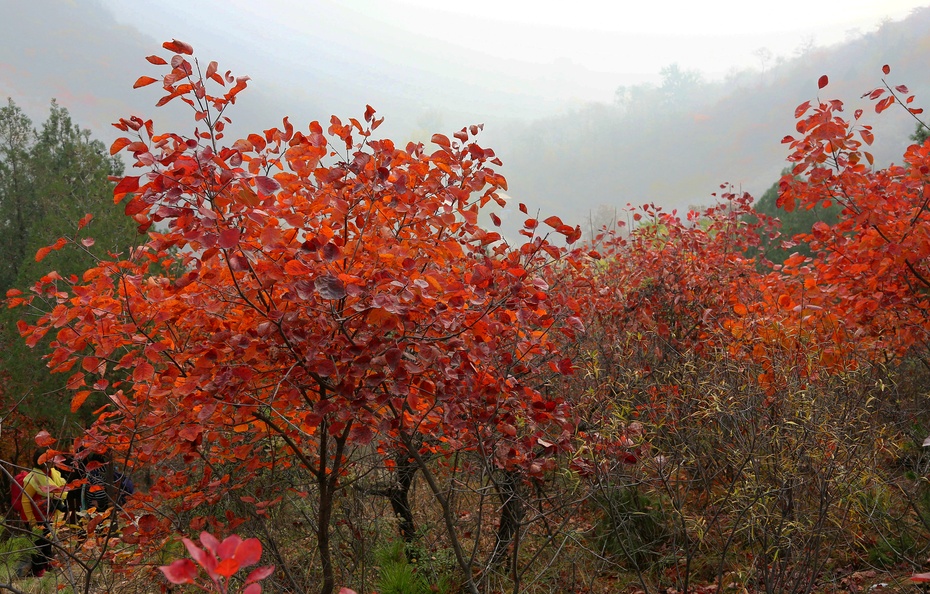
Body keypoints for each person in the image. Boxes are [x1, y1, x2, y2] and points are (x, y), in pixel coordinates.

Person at [19, 448, 67, 577]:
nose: (51, 461)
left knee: (48, 544)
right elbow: (25, 501)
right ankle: (38, 572)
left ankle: (48, 567)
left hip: (50, 517)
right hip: (36, 517)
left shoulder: (54, 474)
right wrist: (32, 521)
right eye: (48, 459)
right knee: (38, 546)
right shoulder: (32, 478)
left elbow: (61, 492)